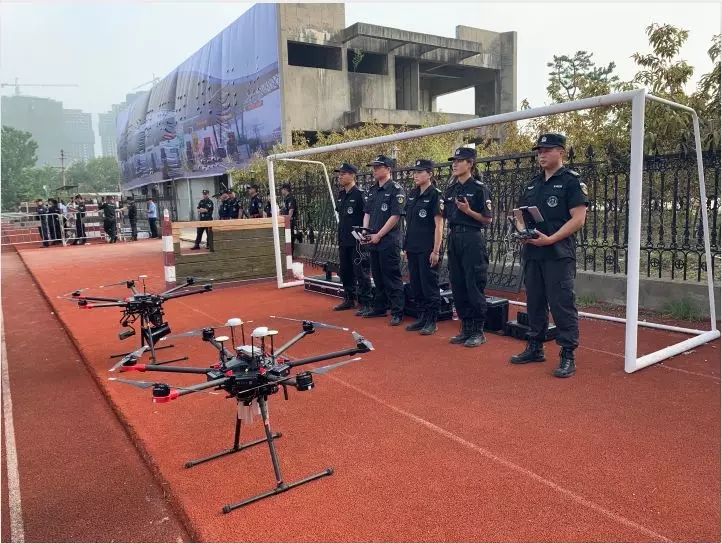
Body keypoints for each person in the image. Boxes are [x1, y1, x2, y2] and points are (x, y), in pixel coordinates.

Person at [510, 133, 589, 378]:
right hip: (533, 251)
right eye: (539, 151)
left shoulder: (571, 182)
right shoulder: (532, 184)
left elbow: (579, 219)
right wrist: (522, 231)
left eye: (547, 150)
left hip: (557, 253)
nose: (542, 155)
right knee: (534, 301)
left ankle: (567, 354)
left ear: (561, 152)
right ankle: (535, 346)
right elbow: (520, 215)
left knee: (561, 303)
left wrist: (552, 239)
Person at [442, 146, 493, 348]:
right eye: (453, 161)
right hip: (454, 237)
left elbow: (488, 219)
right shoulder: (451, 189)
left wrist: (468, 211)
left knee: (473, 282)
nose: (455, 164)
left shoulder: (479, 188)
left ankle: (478, 330)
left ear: (470, 164)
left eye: (459, 161)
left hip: (472, 237)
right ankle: (466, 327)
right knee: (458, 283)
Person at [362, 154, 406, 326]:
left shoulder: (396, 189)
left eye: (378, 167)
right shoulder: (373, 190)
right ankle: (380, 307)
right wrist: (365, 231)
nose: (374, 170)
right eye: (373, 167)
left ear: (388, 169)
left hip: (388, 241)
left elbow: (395, 216)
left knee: (391, 277)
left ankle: (397, 311)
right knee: (377, 276)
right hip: (373, 240)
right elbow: (367, 213)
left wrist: (379, 235)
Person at [403, 159, 444, 335]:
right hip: (413, 246)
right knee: (416, 284)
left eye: (420, 172)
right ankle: (421, 317)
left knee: (429, 285)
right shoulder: (413, 194)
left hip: (427, 248)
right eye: (415, 172)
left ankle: (431, 320)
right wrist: (406, 246)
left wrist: (436, 250)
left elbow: (439, 225)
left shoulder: (435, 194)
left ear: (430, 174)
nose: (416, 175)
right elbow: (409, 223)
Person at [332, 163, 372, 314]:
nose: (340, 176)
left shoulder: (360, 195)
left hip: (357, 241)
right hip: (344, 239)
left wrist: (365, 235)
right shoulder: (342, 194)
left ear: (352, 175)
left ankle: (366, 302)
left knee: (361, 272)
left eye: (343, 174)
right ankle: (349, 299)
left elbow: (367, 215)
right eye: (339, 174)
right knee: (345, 271)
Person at [281, 183, 298, 256]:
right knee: (287, 237)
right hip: (287, 221)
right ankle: (288, 253)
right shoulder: (286, 198)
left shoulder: (290, 198)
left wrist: (288, 220)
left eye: (282, 189)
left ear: (285, 189)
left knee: (290, 237)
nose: (281, 191)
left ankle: (290, 254)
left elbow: (291, 210)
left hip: (290, 221)